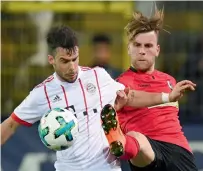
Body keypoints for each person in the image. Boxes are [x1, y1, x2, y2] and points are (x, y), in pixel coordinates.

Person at [1, 26, 196, 171]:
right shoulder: (41, 94)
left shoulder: (97, 76)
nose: (72, 67)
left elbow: (131, 96)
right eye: (64, 61)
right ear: (51, 60)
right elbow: (10, 124)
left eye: (74, 59)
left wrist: (166, 96)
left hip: (106, 167)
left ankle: (121, 141)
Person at [101, 9, 198, 171]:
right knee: (136, 138)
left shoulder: (169, 80)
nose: (142, 51)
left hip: (178, 151)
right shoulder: (119, 84)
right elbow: (131, 96)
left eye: (148, 46)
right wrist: (167, 97)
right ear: (128, 48)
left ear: (157, 50)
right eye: (137, 45)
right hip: (146, 154)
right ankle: (120, 144)